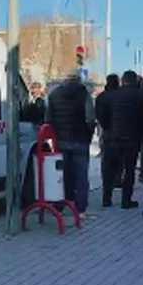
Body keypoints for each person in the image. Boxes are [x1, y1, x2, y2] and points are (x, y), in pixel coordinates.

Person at [45, 69, 95, 219]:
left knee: (62, 174)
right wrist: (88, 135)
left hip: (60, 140)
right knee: (81, 176)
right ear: (79, 79)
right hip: (80, 140)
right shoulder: (84, 94)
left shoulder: (53, 94)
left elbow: (48, 118)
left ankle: (59, 205)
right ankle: (80, 209)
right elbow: (90, 118)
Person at [96, 70, 143, 209]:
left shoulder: (112, 95)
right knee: (129, 170)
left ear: (123, 81)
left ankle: (107, 198)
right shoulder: (140, 96)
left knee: (109, 168)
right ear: (135, 81)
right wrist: (140, 133)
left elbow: (103, 116)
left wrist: (108, 129)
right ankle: (126, 200)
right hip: (132, 138)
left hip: (112, 137)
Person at [95, 74, 119, 163]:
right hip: (120, 128)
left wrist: (104, 125)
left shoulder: (102, 96)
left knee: (107, 155)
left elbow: (98, 113)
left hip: (107, 129)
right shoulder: (121, 95)